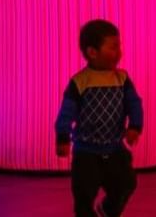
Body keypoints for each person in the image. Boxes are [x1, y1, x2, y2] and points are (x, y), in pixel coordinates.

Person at [55, 18, 143, 217]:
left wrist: (135, 126)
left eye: (119, 46)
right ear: (92, 52)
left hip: (114, 149)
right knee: (83, 196)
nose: (119, 52)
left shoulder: (122, 78)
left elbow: (134, 103)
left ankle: (107, 210)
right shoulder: (80, 82)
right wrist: (62, 137)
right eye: (112, 47)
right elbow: (66, 112)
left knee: (126, 183)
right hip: (86, 152)